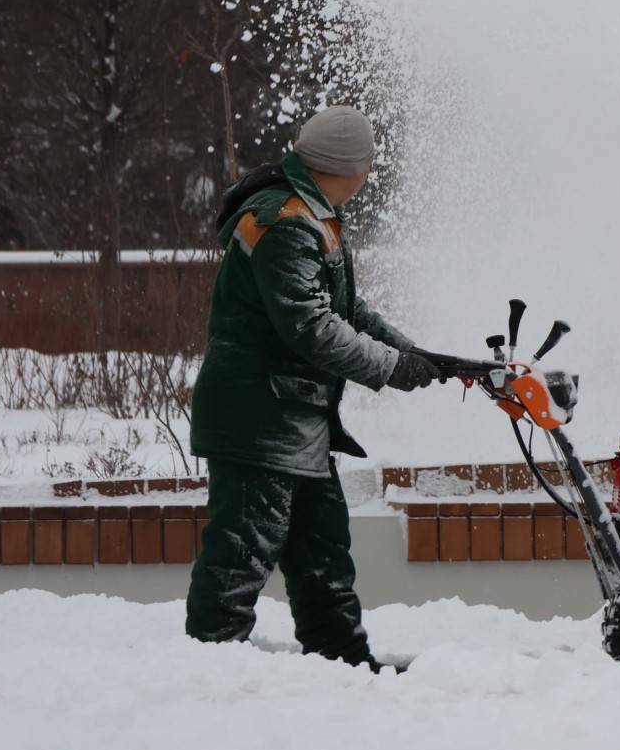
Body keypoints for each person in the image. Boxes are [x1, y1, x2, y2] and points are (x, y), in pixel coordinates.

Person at [185, 105, 442, 671]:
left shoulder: (313, 215)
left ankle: (343, 664)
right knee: (240, 555)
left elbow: (348, 312)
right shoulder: (284, 221)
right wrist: (390, 367)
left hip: (294, 418)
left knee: (322, 548)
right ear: (349, 167)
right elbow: (309, 327)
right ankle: (209, 671)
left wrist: (415, 356)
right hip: (257, 418)